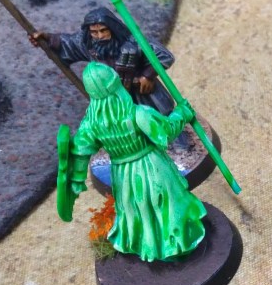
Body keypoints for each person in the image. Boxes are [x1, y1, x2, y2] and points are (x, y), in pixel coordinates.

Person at [60, 62, 206, 262]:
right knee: (166, 205)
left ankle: (154, 246)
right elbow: (165, 132)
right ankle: (175, 245)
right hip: (153, 168)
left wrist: (75, 179)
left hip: (123, 175)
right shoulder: (138, 113)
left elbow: (79, 152)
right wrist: (182, 114)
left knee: (138, 209)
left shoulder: (90, 125)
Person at [30, 7, 175, 113]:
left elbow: (164, 55)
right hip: (114, 99)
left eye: (103, 30)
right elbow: (67, 43)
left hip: (142, 94)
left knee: (164, 121)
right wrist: (47, 39)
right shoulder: (87, 43)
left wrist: (147, 75)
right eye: (94, 32)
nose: (99, 36)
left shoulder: (132, 40)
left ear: (112, 28)